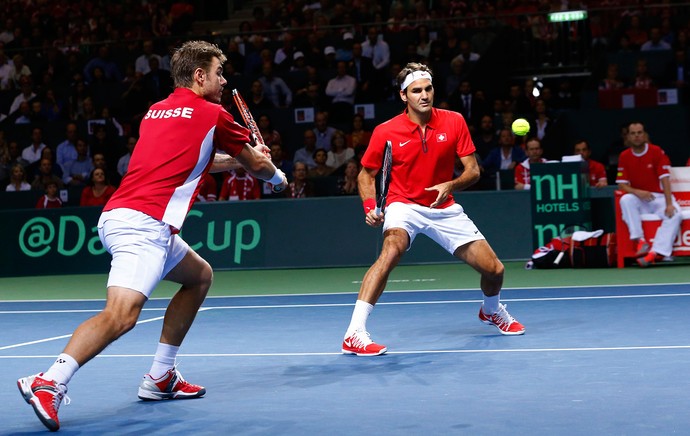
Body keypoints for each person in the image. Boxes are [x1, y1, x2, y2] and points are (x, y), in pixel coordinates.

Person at [17, 40, 287, 432]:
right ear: (200, 76)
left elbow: (199, 159)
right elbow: (257, 167)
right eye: (218, 73)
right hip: (145, 224)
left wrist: (243, 160)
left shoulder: (156, 112)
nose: (224, 81)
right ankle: (49, 382)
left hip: (122, 214)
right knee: (121, 316)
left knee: (199, 276)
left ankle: (161, 376)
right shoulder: (214, 114)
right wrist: (273, 175)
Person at [341, 62, 525, 357]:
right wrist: (370, 206)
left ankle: (491, 311)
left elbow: (473, 171)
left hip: (444, 206)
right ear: (404, 96)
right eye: (416, 91)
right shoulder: (385, 131)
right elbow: (366, 174)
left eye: (428, 89)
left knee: (495, 270)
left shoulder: (453, 121)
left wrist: (450, 185)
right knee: (391, 251)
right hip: (403, 204)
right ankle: (354, 333)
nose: (424, 95)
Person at [616, 121, 681, 268]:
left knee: (675, 214)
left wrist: (669, 204)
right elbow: (622, 184)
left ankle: (655, 252)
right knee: (626, 199)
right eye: (633, 133)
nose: (637, 136)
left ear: (645, 135)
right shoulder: (624, 156)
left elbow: (665, 179)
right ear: (628, 137)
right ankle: (640, 241)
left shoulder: (656, 151)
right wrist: (637, 192)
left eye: (639, 133)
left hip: (659, 198)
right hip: (640, 198)